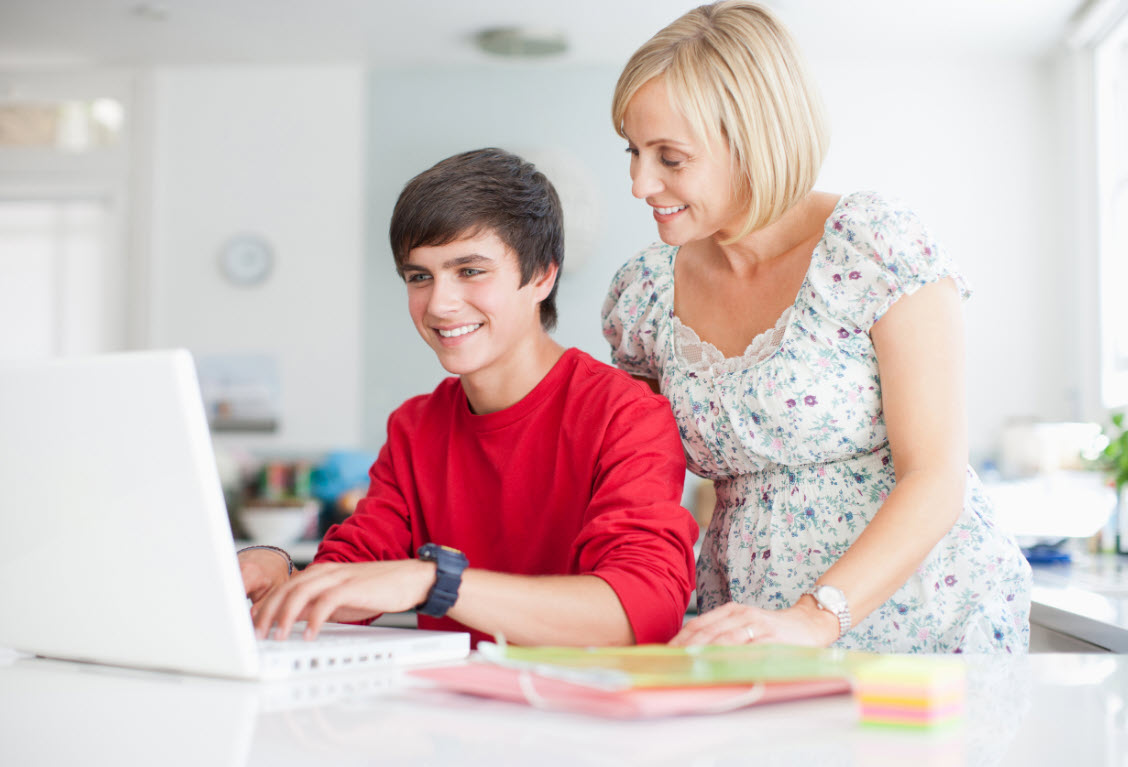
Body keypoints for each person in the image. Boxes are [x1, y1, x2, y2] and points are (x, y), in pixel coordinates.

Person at [602, 1, 1032, 652]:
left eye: (670, 157)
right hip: (746, 621)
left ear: (753, 140)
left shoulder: (873, 246)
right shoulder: (646, 294)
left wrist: (816, 614)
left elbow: (935, 474)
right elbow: (633, 484)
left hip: (914, 619)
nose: (640, 183)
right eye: (634, 152)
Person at [241, 148, 698, 647]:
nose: (439, 303)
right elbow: (355, 572)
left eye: (470, 271)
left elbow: (641, 610)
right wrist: (281, 570)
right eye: (420, 277)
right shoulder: (416, 428)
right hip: (454, 716)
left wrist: (436, 581)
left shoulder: (626, 417)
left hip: (582, 713)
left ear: (543, 276)